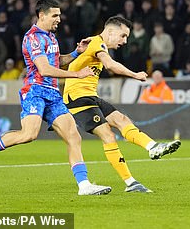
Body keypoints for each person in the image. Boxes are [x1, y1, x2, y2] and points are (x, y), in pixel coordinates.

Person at [0, 0, 112, 196]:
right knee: (29, 135)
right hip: (34, 91)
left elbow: (56, 62)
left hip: (53, 94)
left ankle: (84, 186)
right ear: (42, 15)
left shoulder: (50, 37)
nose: (59, 19)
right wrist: (76, 74)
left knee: (73, 136)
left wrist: (76, 53)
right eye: (55, 15)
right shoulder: (32, 37)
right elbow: (44, 68)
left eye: (60, 15)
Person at [63, 16, 181, 193]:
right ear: (110, 31)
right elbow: (110, 65)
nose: (124, 41)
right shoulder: (97, 43)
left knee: (122, 119)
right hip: (77, 99)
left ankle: (152, 147)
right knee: (108, 135)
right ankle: (131, 182)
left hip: (90, 96)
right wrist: (135, 75)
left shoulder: (94, 44)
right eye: (123, 35)